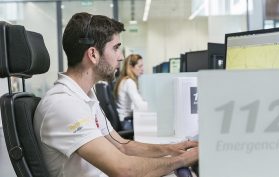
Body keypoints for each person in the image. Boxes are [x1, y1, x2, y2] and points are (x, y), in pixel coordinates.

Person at [33, 12, 198, 177]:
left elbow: (122, 146)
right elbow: (125, 170)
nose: (121, 57)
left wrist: (171, 149)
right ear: (93, 54)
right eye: (115, 48)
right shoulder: (63, 104)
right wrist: (183, 160)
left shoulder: (84, 96)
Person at [114, 54, 147, 130]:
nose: (142, 69)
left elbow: (132, 105)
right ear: (131, 67)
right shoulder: (129, 82)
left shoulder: (123, 80)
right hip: (126, 123)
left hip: (122, 120)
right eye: (140, 66)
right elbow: (141, 107)